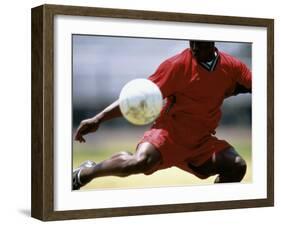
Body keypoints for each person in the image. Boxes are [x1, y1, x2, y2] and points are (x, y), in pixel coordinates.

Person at [73, 40, 252, 190]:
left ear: (213, 41)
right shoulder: (176, 65)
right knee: (139, 162)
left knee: (236, 166)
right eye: (192, 42)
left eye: (200, 42)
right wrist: (99, 118)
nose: (194, 47)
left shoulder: (232, 66)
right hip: (169, 134)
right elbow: (136, 99)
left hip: (201, 141)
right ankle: (86, 172)